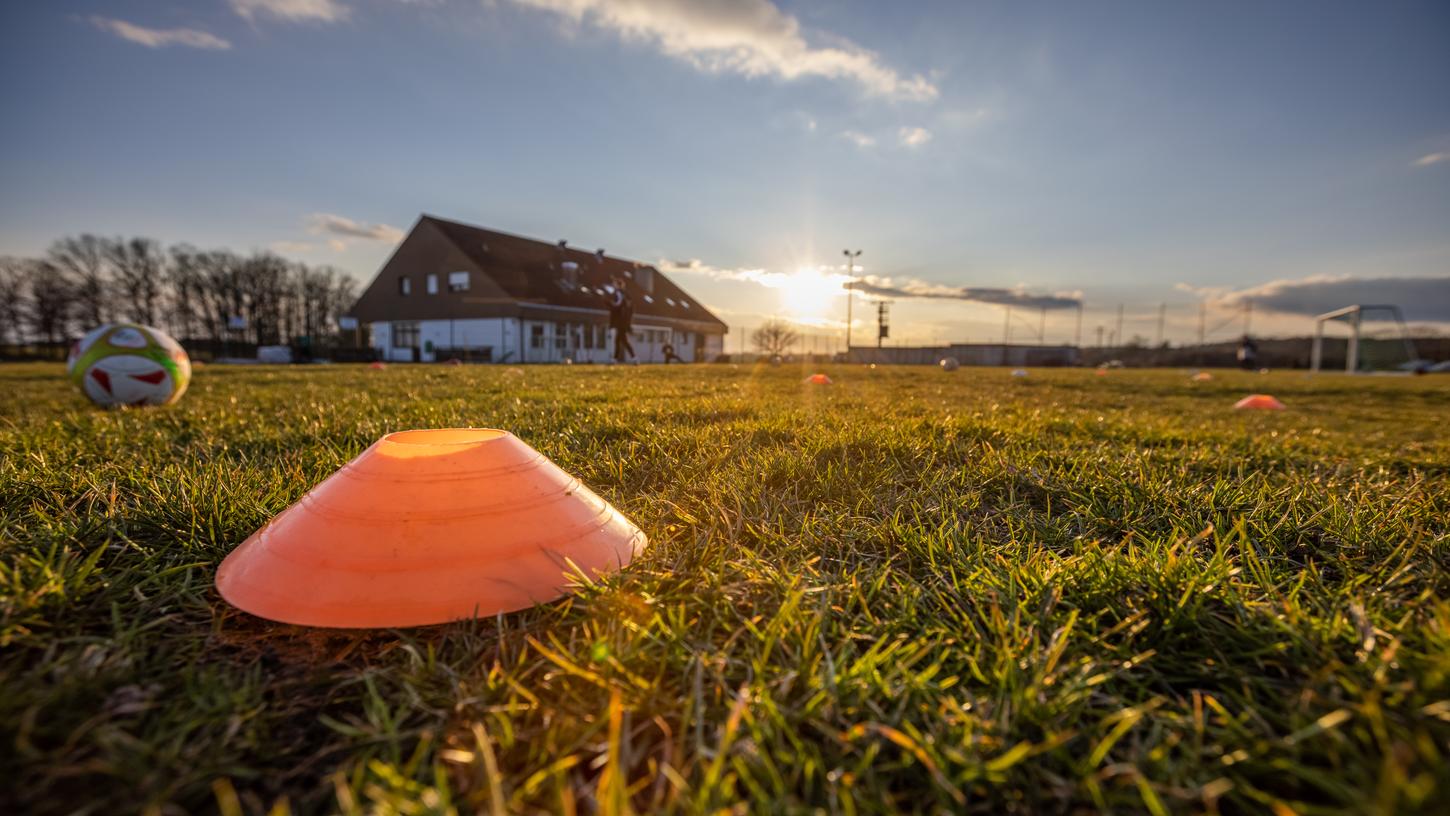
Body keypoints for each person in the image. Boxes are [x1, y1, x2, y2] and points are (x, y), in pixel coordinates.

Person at [607, 276, 635, 363]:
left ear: (618, 285)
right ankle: (615, 359)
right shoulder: (622, 294)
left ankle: (634, 358)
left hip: (621, 322)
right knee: (619, 341)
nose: (613, 285)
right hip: (622, 321)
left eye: (614, 284)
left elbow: (618, 305)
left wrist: (611, 304)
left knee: (623, 341)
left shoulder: (619, 293)